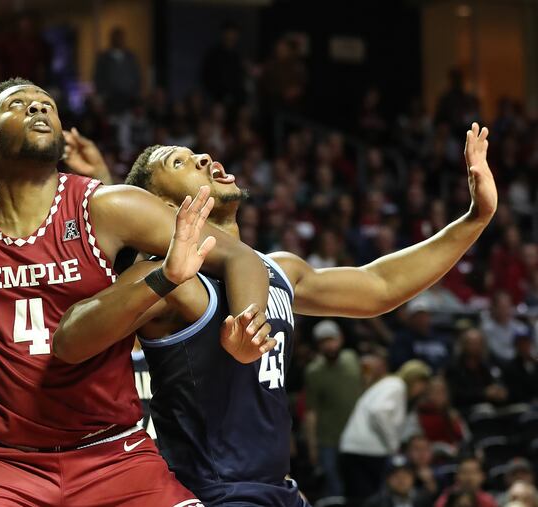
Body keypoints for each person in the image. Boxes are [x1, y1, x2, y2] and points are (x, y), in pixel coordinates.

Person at [0, 77, 272, 506]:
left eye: (47, 105)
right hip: (3, 464)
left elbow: (240, 257)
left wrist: (248, 321)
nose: (38, 109)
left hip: (115, 456)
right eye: (18, 105)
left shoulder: (109, 207)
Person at [54, 123, 496, 505]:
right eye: (181, 163)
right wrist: (107, 190)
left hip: (277, 488)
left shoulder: (279, 268)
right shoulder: (170, 280)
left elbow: (379, 287)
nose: (206, 157)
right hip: (208, 492)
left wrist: (474, 219)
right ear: (165, 209)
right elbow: (79, 329)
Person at [340, 360, 432, 503]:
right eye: (421, 384)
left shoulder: (390, 384)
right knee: (368, 501)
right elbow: (378, 411)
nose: (421, 390)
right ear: (413, 379)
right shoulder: (397, 386)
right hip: (367, 451)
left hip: (357, 449)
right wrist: (392, 444)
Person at [304, 320, 362, 497]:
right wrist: (312, 445)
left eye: (332, 339)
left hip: (356, 434)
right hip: (328, 438)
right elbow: (311, 411)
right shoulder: (313, 371)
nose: (329, 345)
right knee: (333, 486)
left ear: (341, 339)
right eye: (323, 341)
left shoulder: (353, 359)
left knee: (356, 483)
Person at [363, 455, 434, 507]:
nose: (401, 480)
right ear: (387, 480)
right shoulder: (376, 503)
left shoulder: (424, 499)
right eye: (396, 476)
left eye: (405, 475)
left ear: (413, 477)